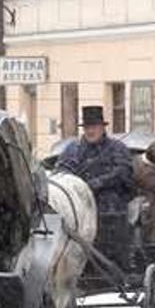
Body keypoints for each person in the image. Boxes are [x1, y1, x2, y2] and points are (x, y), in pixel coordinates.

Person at [56, 106, 134, 264]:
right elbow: (63, 169)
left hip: (107, 200)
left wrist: (97, 183)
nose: (90, 131)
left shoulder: (117, 149)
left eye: (94, 127)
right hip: (78, 200)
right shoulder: (73, 149)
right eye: (87, 127)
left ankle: (116, 256)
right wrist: (76, 186)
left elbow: (122, 172)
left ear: (102, 128)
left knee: (111, 212)